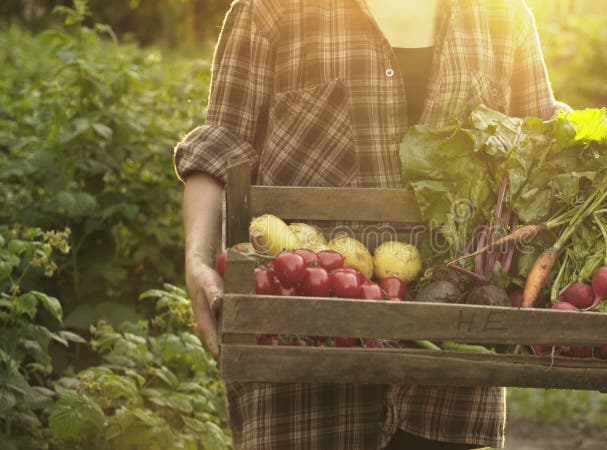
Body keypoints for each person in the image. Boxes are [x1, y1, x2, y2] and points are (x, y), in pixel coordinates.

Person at [175, 1, 565, 448]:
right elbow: (221, 144)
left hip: (451, 375)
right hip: (303, 359)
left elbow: (546, 151)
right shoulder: (270, 10)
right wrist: (198, 258)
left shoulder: (503, 16)